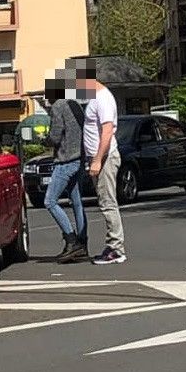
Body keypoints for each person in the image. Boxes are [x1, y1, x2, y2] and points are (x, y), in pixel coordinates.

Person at [77, 60, 127, 265]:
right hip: (99, 158)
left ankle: (116, 248)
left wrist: (97, 160)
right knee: (105, 202)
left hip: (105, 158)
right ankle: (114, 246)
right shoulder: (94, 98)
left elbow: (107, 132)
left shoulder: (103, 98)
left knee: (108, 203)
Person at [42, 71, 88, 263]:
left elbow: (55, 136)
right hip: (79, 158)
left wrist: (44, 141)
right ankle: (83, 242)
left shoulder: (58, 107)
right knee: (77, 202)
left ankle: (71, 239)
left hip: (65, 160)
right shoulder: (75, 104)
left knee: (49, 201)